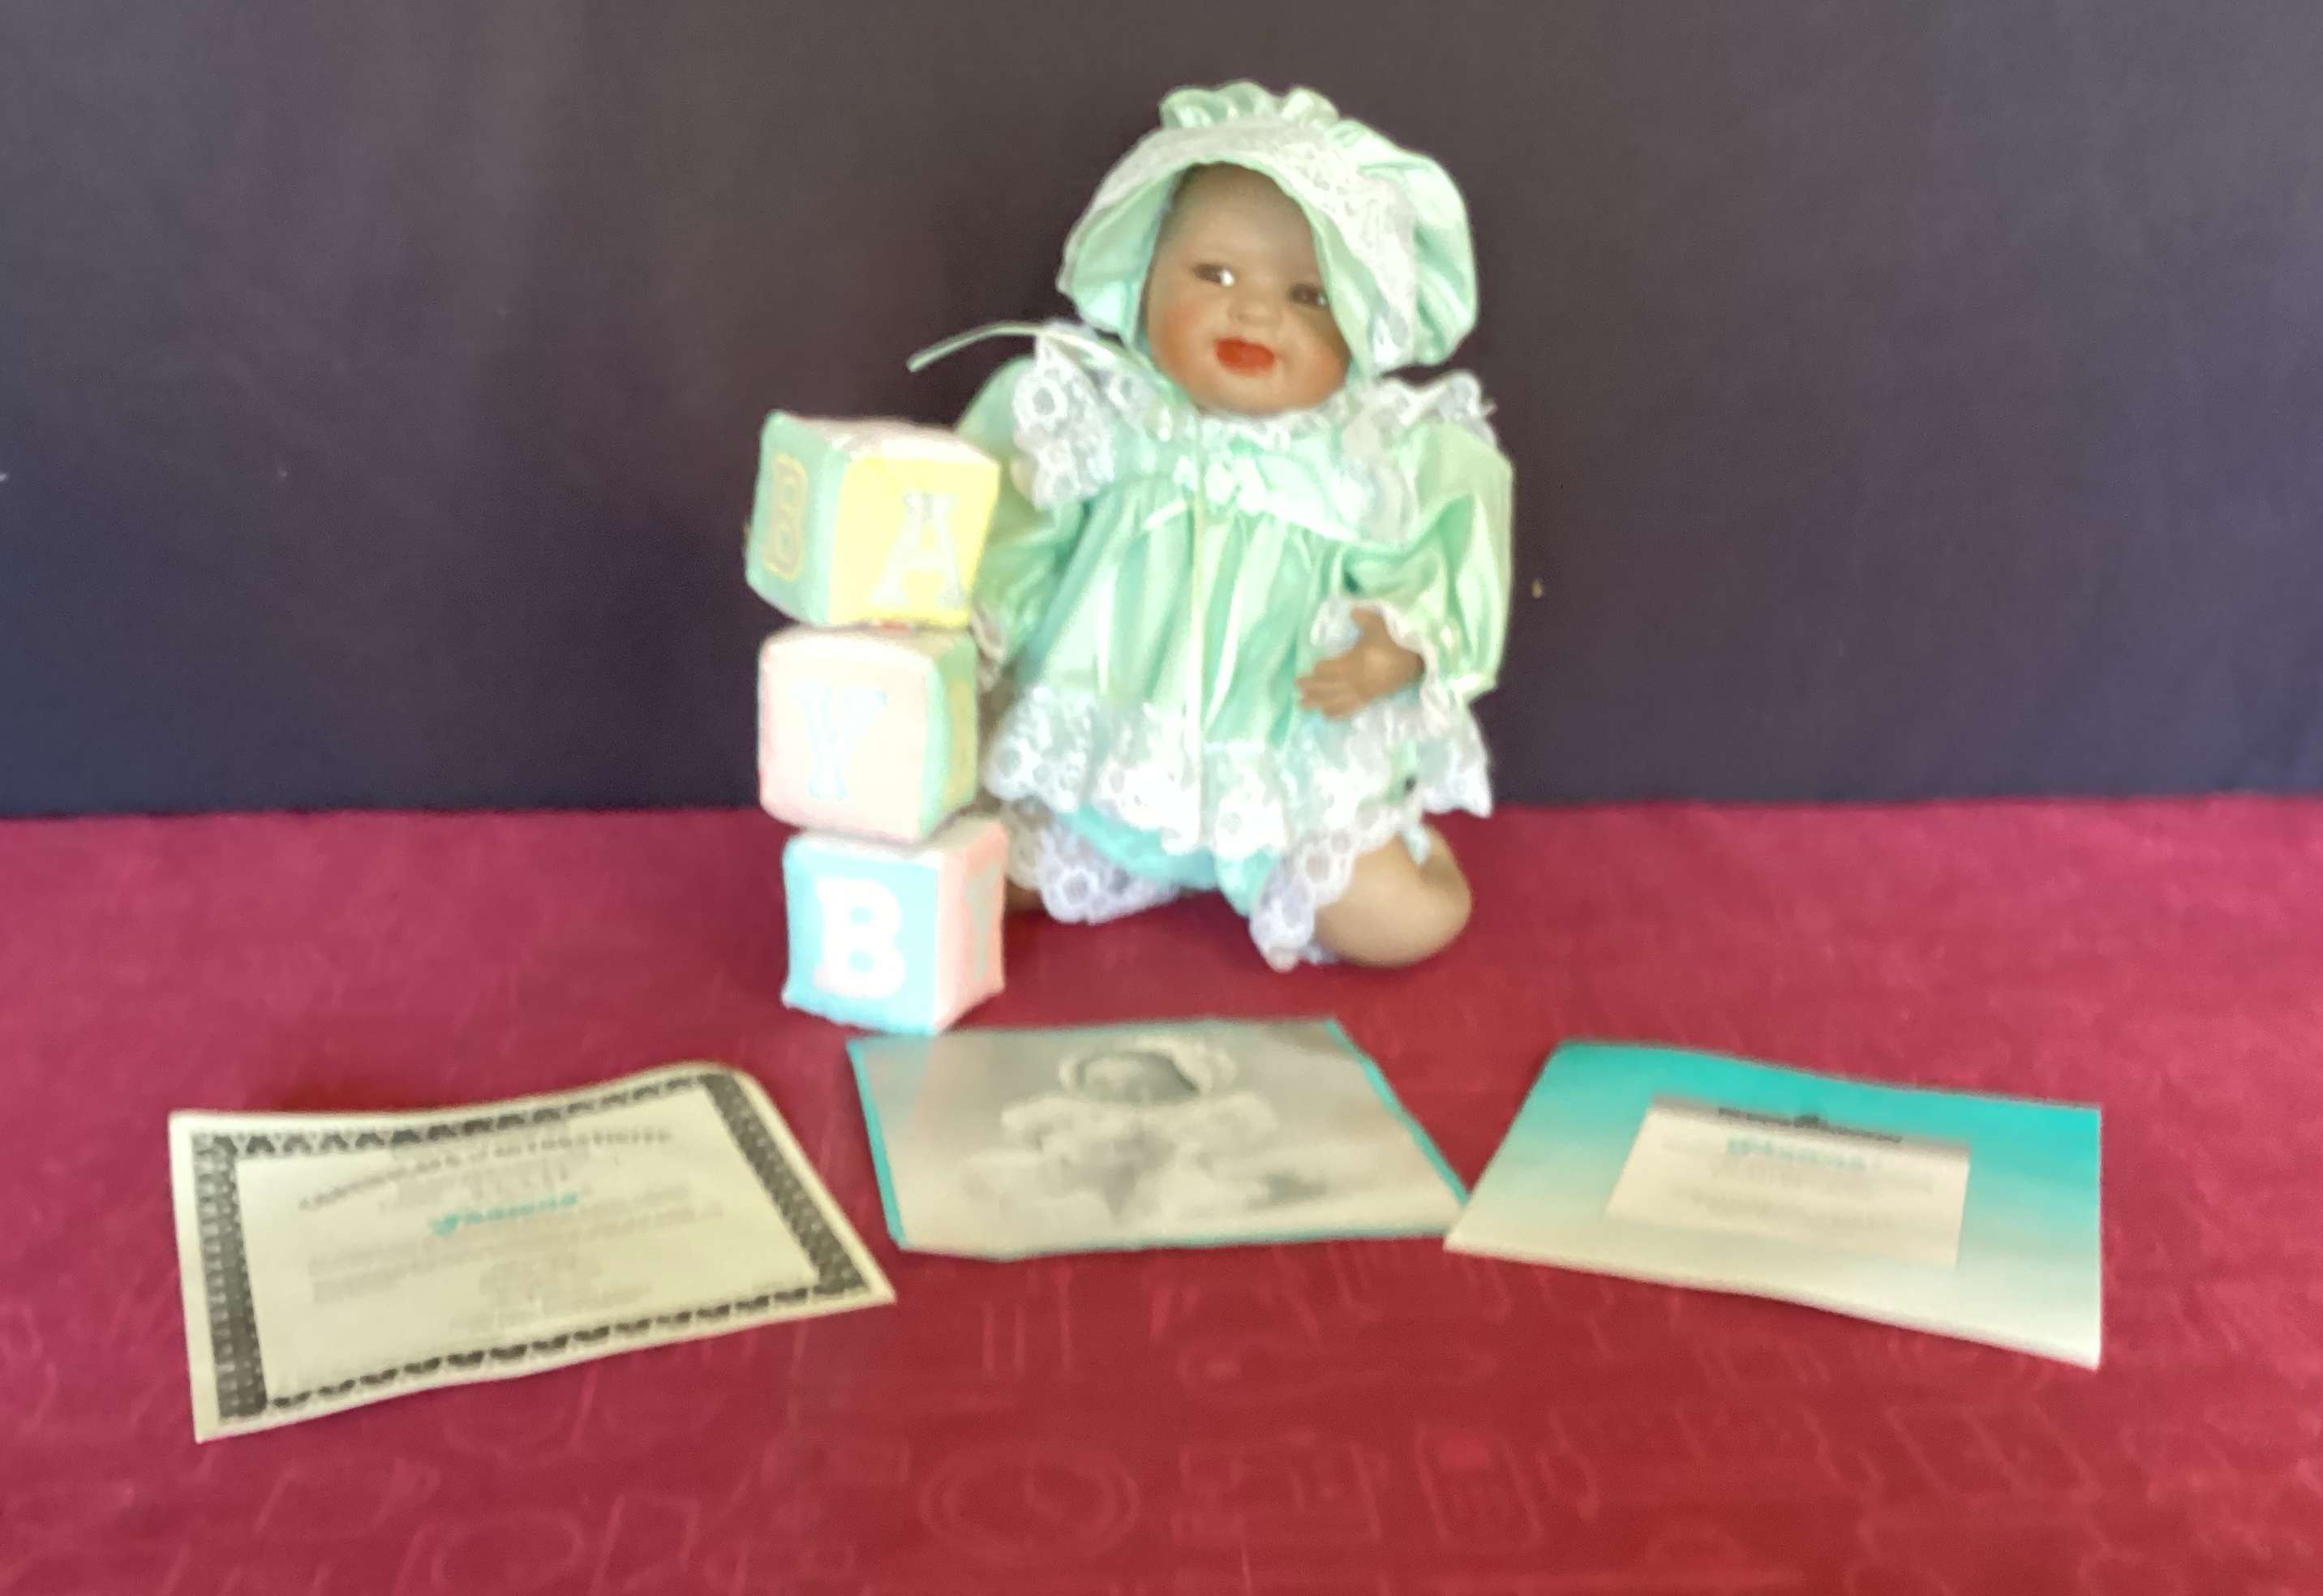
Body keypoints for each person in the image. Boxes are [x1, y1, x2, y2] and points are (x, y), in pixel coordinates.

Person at [915, 83, 1514, 971]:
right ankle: (1109, 863)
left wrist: (1396, 647)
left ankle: (1414, 862)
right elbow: (1014, 532)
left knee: (1399, 924)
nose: (1256, 312)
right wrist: (979, 619)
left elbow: (1427, 566)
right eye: (1215, 275)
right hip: (1102, 769)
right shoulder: (1104, 419)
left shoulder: (1368, 458)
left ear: (1362, 328)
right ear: (1144, 277)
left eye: (1309, 296)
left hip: (1283, 784)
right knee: (972, 877)